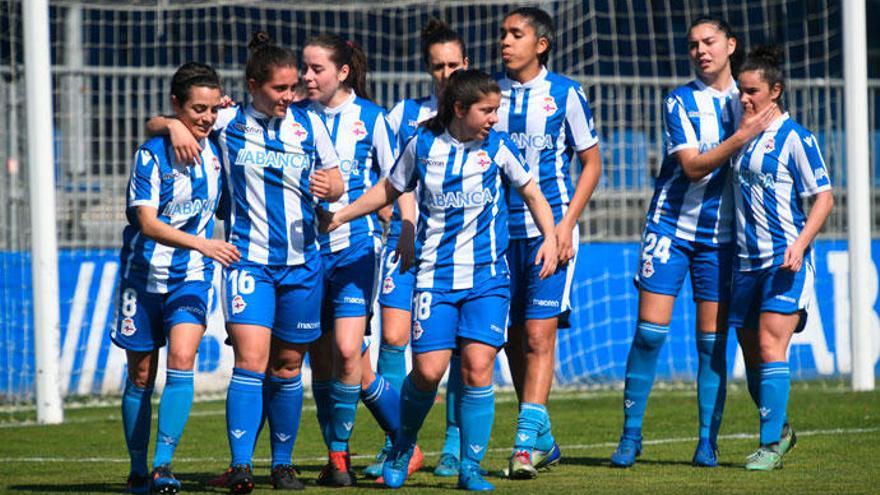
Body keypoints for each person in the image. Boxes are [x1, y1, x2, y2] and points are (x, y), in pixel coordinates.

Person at [321, 68, 558, 491]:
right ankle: (402, 445)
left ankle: (470, 467)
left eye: (497, 110)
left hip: (488, 279)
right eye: (487, 110)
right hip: (434, 279)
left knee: (478, 367)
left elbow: (534, 194)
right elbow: (388, 190)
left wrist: (552, 238)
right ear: (459, 109)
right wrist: (341, 214)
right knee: (428, 372)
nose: (494, 118)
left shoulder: (499, 148)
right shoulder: (423, 145)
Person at [148, 32, 343, 494]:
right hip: (249, 263)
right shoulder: (228, 119)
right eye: (280, 89)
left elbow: (336, 182)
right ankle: (240, 466)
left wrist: (328, 187)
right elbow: (163, 121)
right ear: (254, 85)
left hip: (302, 264)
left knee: (289, 366)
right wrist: (172, 126)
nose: (289, 96)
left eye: (293, 87)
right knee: (252, 361)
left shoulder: (309, 125)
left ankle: (281, 464)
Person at [610, 16, 776, 468]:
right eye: (693, 45)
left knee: (711, 344)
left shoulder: (752, 101)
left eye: (709, 42)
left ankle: (707, 441)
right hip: (671, 228)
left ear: (731, 45)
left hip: (723, 240)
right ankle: (630, 436)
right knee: (648, 335)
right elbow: (692, 167)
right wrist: (742, 135)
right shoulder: (679, 101)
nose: (700, 50)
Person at [113, 62, 239, 495]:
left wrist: (179, 122)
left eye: (210, 110)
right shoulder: (150, 154)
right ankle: (136, 467)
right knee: (142, 375)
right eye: (195, 110)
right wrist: (203, 243)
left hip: (191, 278)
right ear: (176, 107)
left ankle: (163, 465)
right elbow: (147, 223)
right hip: (142, 277)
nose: (204, 119)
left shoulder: (219, 142)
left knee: (183, 359)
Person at [494, 7, 602, 478]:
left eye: (516, 34)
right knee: (513, 337)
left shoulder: (565, 93)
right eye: (503, 34)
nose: (505, 41)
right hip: (498, 235)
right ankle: (542, 435)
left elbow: (592, 163)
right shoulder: (488, 95)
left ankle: (523, 444)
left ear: (541, 44)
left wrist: (563, 227)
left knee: (539, 333)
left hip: (549, 231)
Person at [299, 34, 409, 486]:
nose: (307, 77)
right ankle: (337, 457)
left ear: (342, 72)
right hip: (302, 253)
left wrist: (407, 228)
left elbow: (399, 178)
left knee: (348, 350)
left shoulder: (372, 118)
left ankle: (390, 443)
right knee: (323, 362)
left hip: (356, 249)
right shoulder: (295, 117)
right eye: (303, 68)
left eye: (316, 69)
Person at [730, 45, 833, 470]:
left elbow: (823, 198)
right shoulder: (739, 133)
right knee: (751, 351)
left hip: (783, 259)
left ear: (776, 91)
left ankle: (769, 445)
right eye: (740, 90)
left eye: (751, 91)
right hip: (744, 262)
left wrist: (800, 243)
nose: (743, 98)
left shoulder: (797, 139)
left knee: (772, 344)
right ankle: (783, 428)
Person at [380, 17, 470, 479]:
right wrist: (403, 225)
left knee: (455, 349)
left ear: (466, 64)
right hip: (406, 244)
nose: (447, 73)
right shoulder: (402, 116)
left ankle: (454, 443)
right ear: (427, 68)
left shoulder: (481, 117)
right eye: (438, 66)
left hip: (461, 254)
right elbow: (392, 180)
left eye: (454, 64)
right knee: (394, 338)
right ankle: (399, 440)